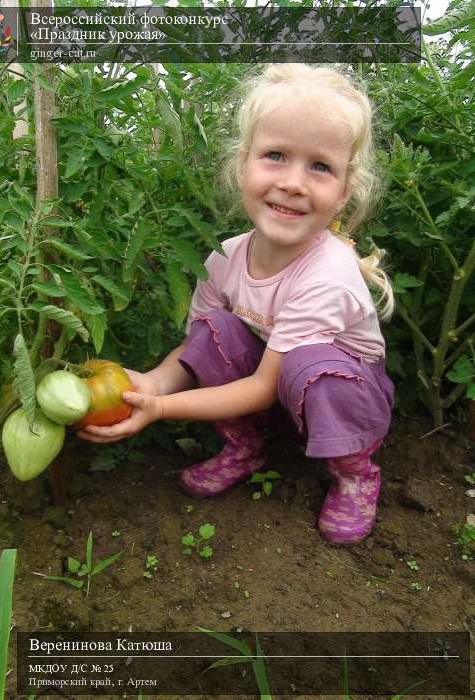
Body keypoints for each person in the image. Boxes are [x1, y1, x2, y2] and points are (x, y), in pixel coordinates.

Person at [79, 64, 395, 546]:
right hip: (281, 389)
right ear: (242, 163)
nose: (292, 182)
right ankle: (246, 448)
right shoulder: (225, 257)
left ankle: (355, 471)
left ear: (344, 192)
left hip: (345, 395)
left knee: (315, 363)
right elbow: (197, 347)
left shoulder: (327, 275)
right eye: (275, 156)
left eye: (319, 166)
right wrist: (150, 383)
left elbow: (265, 387)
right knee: (215, 328)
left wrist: (161, 407)